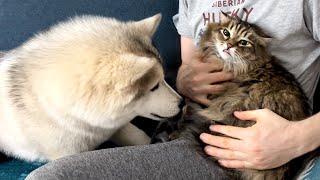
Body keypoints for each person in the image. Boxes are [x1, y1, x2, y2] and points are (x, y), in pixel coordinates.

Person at [26, 0, 320, 179]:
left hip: (250, 155)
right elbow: (189, 71)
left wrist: (296, 139)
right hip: (187, 129)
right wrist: (183, 79)